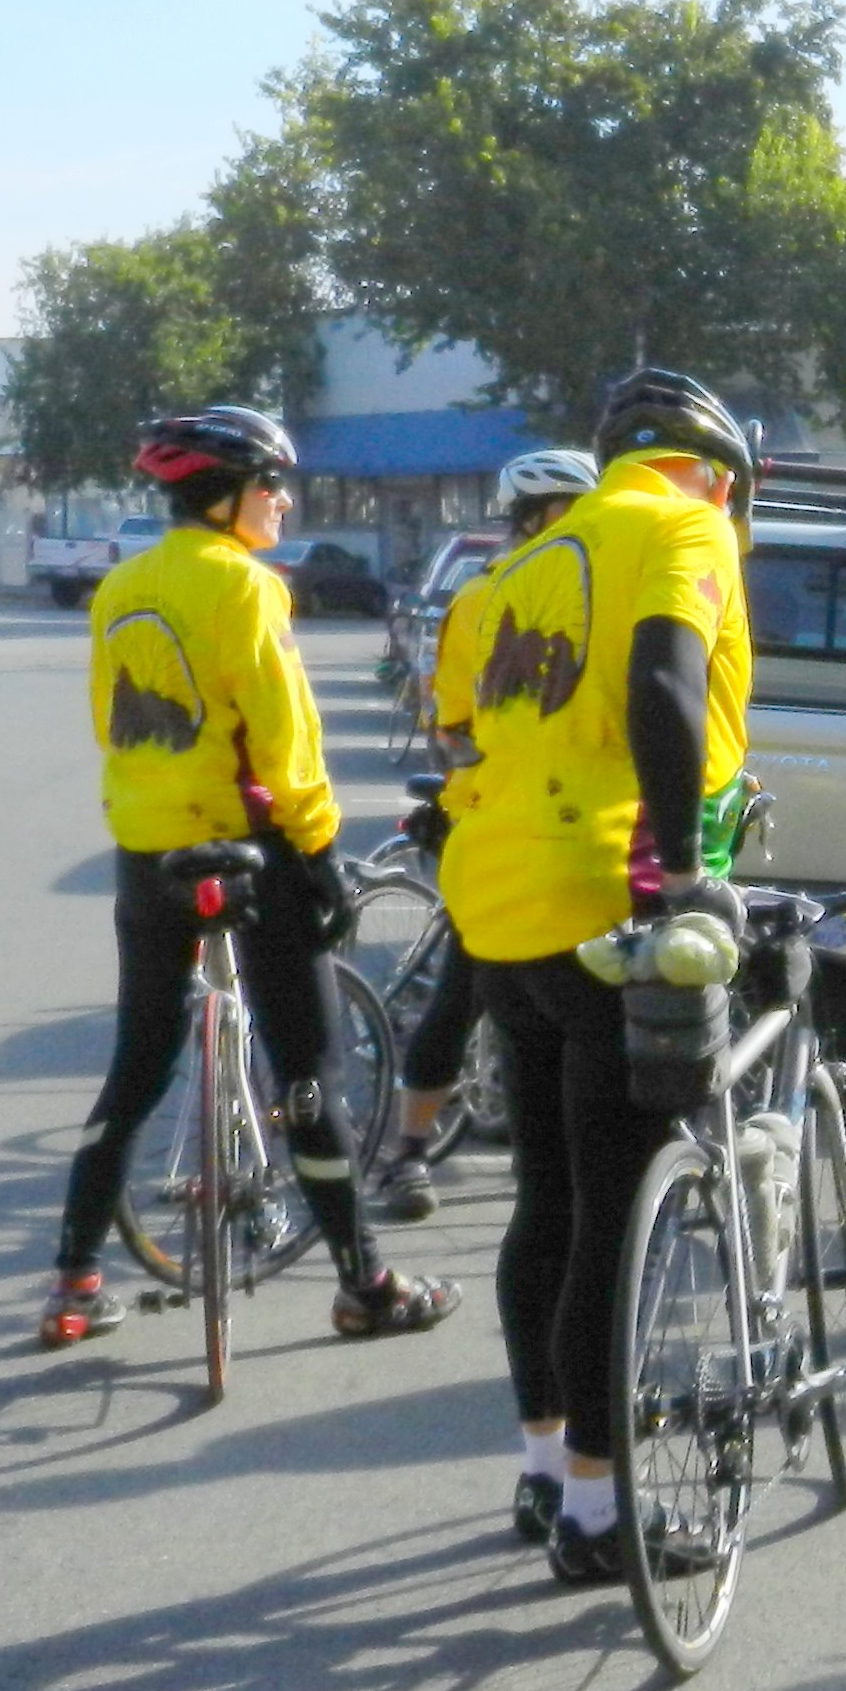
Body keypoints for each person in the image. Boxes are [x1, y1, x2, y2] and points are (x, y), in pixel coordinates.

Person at [36, 407, 458, 1349]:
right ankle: (365, 1286)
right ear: (228, 496)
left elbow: (113, 723)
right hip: (252, 851)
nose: (283, 501)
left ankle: (73, 1284)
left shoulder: (121, 587)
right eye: (273, 485)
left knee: (136, 1069)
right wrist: (320, 853)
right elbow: (284, 739)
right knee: (310, 1071)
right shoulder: (246, 586)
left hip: (149, 853)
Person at [440, 369, 756, 1571]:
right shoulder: (681, 526)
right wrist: (684, 871)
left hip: (499, 902)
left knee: (548, 1201)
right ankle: (596, 1512)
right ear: (715, 473)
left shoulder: (529, 558)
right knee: (617, 1221)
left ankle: (542, 1468)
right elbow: (664, 684)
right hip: (604, 896)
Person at [368, 445, 597, 1222]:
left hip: (550, 824)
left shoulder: (575, 588)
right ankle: (408, 1151)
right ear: (542, 516)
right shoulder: (487, 598)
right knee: (464, 989)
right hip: (500, 823)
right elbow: (452, 727)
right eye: (576, 510)